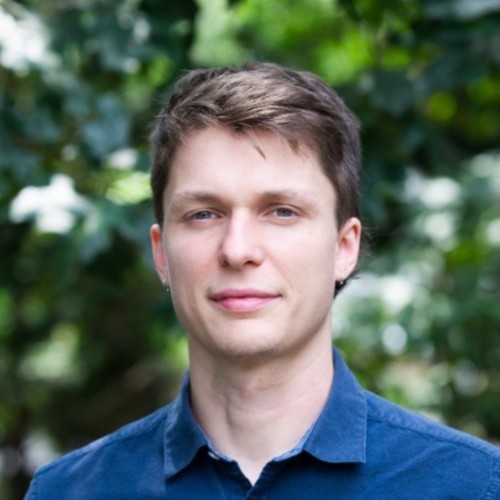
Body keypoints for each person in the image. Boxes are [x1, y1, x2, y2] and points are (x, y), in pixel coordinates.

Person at [25, 62, 499, 499]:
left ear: (344, 248)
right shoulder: (67, 491)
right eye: (204, 214)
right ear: (161, 253)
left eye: (282, 212)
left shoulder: (473, 486)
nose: (238, 249)